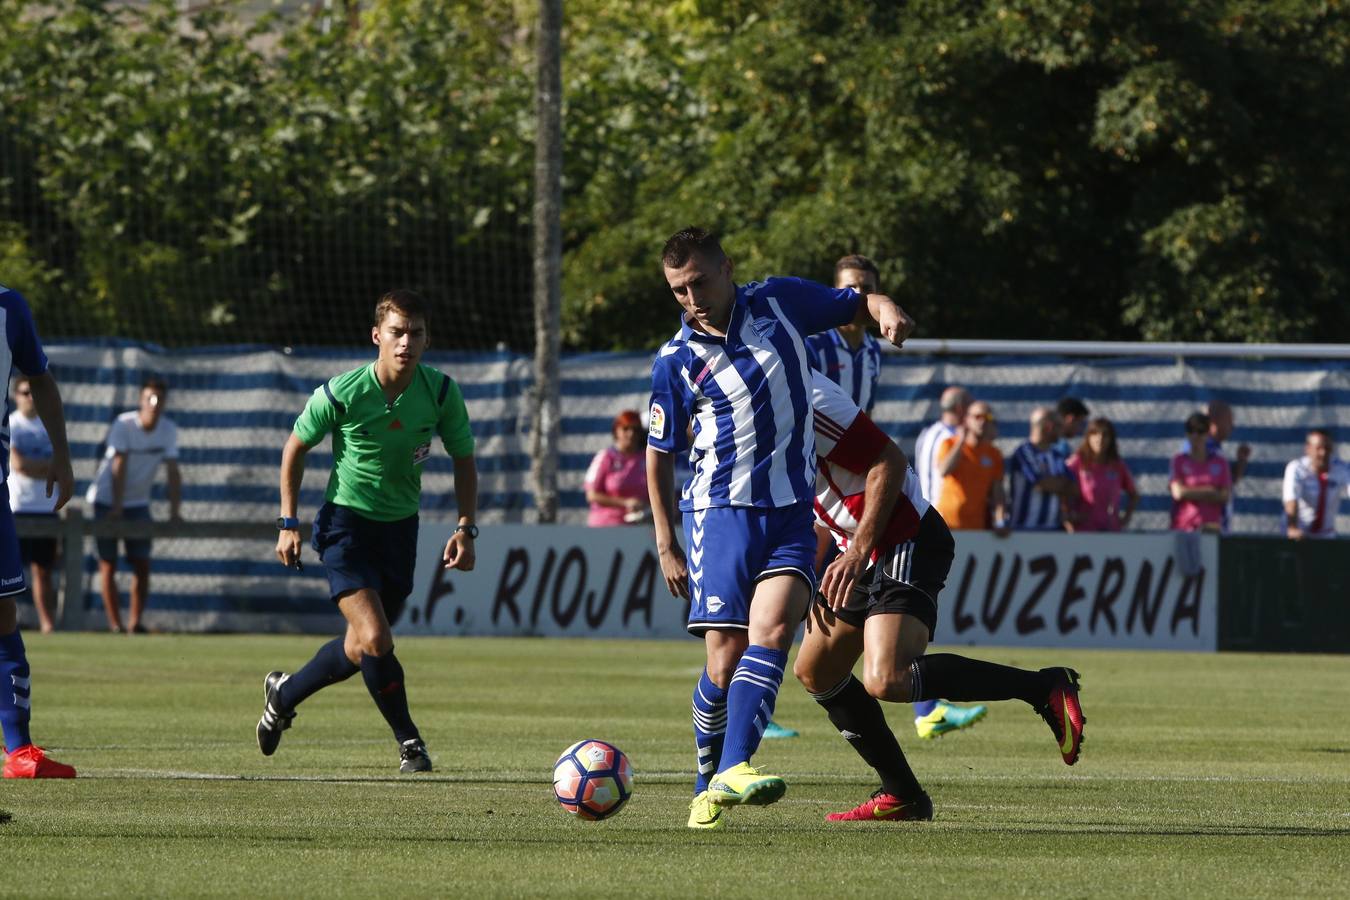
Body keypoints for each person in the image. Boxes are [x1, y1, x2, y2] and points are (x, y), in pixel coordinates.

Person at [645, 227, 914, 830]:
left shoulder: (779, 302)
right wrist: (665, 542)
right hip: (719, 514)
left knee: (770, 633)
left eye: (700, 282)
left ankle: (734, 768)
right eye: (679, 290)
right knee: (723, 662)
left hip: (792, 513)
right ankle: (705, 781)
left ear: (726, 268)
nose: (692, 299)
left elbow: (854, 303)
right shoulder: (676, 359)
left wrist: (884, 305)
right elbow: (658, 454)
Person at [795, 372, 1085, 821]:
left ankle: (1043, 687)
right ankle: (903, 795)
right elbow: (821, 501)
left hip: (903, 535)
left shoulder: (806, 397)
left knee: (886, 678)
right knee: (816, 670)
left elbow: (889, 462)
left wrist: (857, 550)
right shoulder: (764, 407)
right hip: (854, 547)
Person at [257, 289, 478, 774]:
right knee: (377, 637)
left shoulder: (441, 392)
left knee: (359, 647)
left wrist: (466, 528)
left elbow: (464, 458)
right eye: (397, 332)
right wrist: (288, 523)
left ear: (427, 339)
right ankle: (410, 743)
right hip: (346, 527)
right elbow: (294, 448)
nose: (406, 342)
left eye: (416, 333)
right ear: (377, 335)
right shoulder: (342, 392)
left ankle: (283, 695)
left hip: (400, 531)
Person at [0, 283, 77, 778]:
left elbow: (40, 379)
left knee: (3, 609)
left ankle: (18, 750)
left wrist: (62, 456)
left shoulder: (8, 306)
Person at [85, 377, 182, 634]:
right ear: (141, 400)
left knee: (142, 563)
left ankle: (134, 623)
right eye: (149, 398)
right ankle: (115, 625)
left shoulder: (168, 429)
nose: (154, 403)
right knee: (108, 564)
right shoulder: (123, 424)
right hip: (106, 501)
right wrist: (117, 507)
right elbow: (118, 465)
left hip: (138, 504)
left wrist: (175, 512)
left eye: (159, 399)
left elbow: (173, 471)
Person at [8, 375, 59, 633]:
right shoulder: (11, 424)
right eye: (25, 393)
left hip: (47, 508)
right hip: (18, 508)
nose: (30, 397)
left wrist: (38, 467)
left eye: (33, 392)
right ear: (15, 396)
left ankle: (46, 623)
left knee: (43, 572)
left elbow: (59, 466)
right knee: (10, 573)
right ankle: (9, 623)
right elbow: (19, 465)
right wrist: (44, 468)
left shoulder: (50, 426)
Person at [803, 254, 884, 414]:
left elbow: (867, 411)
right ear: (834, 292)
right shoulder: (812, 345)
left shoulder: (873, 349)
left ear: (878, 293)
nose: (859, 296)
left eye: (867, 288)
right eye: (850, 288)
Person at [933, 401, 1008, 534]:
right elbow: (944, 470)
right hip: (947, 524)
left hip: (976, 527)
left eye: (988, 417)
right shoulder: (949, 443)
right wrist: (961, 441)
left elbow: (998, 493)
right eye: (978, 417)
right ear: (967, 419)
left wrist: (1000, 521)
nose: (983, 422)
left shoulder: (994, 454)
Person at [1007, 406, 1078, 532]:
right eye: (1059, 426)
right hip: (1024, 530)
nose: (1062, 431)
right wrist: (1058, 483)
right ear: (1049, 427)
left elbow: (1074, 488)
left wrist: (1054, 483)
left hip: (1053, 530)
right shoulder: (1024, 452)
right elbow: (1042, 482)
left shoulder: (1056, 455)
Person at [1066, 417, 1139, 532]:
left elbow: (1134, 495)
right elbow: (1060, 489)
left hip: (1110, 530)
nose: (1099, 439)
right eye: (1095, 434)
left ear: (1111, 439)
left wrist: (1125, 518)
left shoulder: (1117, 465)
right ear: (1088, 438)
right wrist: (1068, 519)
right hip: (1084, 530)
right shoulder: (1078, 461)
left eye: (1105, 435)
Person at [584, 410, 649, 526]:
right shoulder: (605, 457)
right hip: (606, 525)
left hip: (641, 525)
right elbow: (592, 495)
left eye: (635, 430)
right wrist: (625, 503)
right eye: (625, 429)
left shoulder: (647, 458)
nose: (631, 434)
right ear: (616, 431)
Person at [1282, 430, 1350, 540]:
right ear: (1308, 449)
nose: (1323, 453)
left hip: (1326, 535)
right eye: (1318, 448)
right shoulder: (1296, 468)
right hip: (1298, 534)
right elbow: (1291, 499)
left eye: (1327, 448)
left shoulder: (1342, 468)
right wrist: (1293, 528)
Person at [1169, 413, 1231, 532]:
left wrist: (1189, 492)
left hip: (1211, 528)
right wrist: (1211, 491)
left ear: (1208, 434)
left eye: (1200, 431)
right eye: (1191, 430)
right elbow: (1178, 493)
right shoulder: (1178, 461)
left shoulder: (1220, 462)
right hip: (1183, 528)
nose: (1195, 435)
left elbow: (1225, 495)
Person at [914, 385, 971, 506]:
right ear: (960, 408)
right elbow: (943, 471)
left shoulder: (927, 433)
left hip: (925, 506)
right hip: (939, 508)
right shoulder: (949, 437)